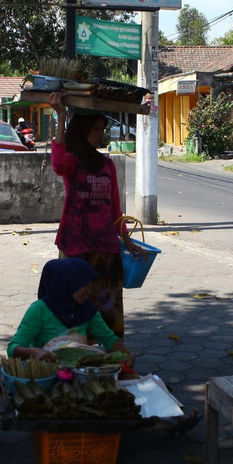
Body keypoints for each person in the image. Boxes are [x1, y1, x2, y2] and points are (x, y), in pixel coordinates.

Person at [49, 92, 142, 337]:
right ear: (82, 131)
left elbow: (115, 210)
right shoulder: (72, 162)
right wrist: (61, 115)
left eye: (102, 129)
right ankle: (77, 353)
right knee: (75, 307)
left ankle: (112, 353)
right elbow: (57, 163)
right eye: (95, 129)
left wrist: (128, 241)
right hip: (76, 247)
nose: (100, 134)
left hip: (105, 250)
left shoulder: (107, 165)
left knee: (109, 310)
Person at [8, 258, 135, 369]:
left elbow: (108, 338)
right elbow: (13, 348)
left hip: (81, 372)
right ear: (67, 284)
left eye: (90, 285)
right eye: (84, 286)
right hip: (48, 374)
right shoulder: (39, 309)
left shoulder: (86, 309)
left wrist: (126, 354)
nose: (89, 291)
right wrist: (34, 352)